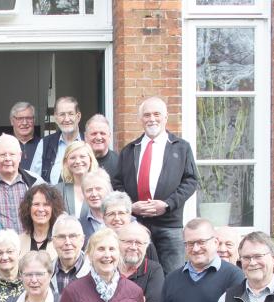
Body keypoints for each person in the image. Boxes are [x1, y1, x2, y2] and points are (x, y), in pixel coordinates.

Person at [113, 97, 199, 274]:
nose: (152, 119)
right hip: (137, 225)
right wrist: (130, 206)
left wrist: (167, 204)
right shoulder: (129, 150)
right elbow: (117, 183)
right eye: (147, 115)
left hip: (170, 225)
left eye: (156, 114)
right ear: (141, 119)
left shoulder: (181, 148)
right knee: (137, 275)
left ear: (166, 117)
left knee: (174, 277)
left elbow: (190, 181)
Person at [0, 134, 46, 233]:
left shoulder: (36, 182)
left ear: (20, 156)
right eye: (2, 155)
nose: (8, 159)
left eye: (12, 154)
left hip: (30, 246)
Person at [31, 96, 82, 184]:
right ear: (55, 117)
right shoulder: (44, 144)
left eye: (70, 114)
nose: (66, 119)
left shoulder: (88, 142)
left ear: (78, 116)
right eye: (62, 114)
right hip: (52, 197)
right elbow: (34, 180)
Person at [19, 183, 64, 258]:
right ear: (28, 208)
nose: (40, 209)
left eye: (46, 204)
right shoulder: (18, 241)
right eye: (36, 204)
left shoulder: (62, 241)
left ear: (54, 209)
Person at [49, 214, 90, 295]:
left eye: (72, 236)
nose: (67, 242)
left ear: (82, 240)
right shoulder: (45, 272)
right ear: (53, 242)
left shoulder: (96, 271)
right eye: (61, 237)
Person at [57, 140, 99, 215]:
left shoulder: (103, 188)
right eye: (72, 158)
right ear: (66, 162)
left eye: (82, 156)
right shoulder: (58, 190)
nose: (78, 161)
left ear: (91, 159)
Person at [84, 114, 119, 181]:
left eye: (102, 133)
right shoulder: (77, 162)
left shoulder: (120, 163)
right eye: (94, 133)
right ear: (85, 136)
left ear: (109, 136)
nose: (98, 138)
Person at [80, 168, 112, 238]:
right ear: (83, 194)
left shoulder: (126, 220)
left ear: (108, 191)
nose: (94, 194)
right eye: (89, 190)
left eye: (98, 189)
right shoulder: (78, 225)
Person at [10, 101, 40, 171]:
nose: (24, 123)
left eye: (29, 118)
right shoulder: (4, 146)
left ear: (34, 120)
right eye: (20, 118)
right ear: (12, 121)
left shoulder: (44, 145)